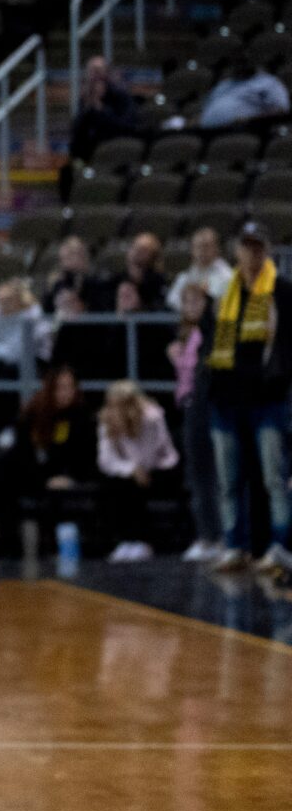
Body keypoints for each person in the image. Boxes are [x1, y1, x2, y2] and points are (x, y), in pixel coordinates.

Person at [201, 230, 290, 576]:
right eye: (245, 247)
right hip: (227, 398)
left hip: (267, 398)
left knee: (273, 478)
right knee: (229, 480)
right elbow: (210, 339)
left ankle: (281, 546)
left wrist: (279, 379)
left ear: (266, 251)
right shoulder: (225, 292)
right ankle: (235, 544)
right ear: (237, 251)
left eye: (257, 248)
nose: (251, 255)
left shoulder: (282, 291)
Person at [169, 282, 227, 562]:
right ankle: (206, 537)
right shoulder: (182, 334)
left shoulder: (213, 331)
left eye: (196, 300)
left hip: (211, 407)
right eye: (186, 301)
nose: (190, 306)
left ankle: (225, 537)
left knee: (218, 476)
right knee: (198, 476)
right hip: (191, 408)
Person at [96, 380, 179, 562]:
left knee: (137, 483)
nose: (114, 411)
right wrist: (132, 469)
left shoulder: (152, 418)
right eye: (111, 406)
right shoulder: (106, 421)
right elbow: (106, 460)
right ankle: (127, 540)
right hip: (129, 475)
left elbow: (169, 453)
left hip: (156, 470)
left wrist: (150, 469)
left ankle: (143, 542)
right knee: (119, 484)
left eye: (119, 406)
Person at [69, 54, 136, 162]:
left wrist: (100, 109)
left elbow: (126, 126)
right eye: (92, 71)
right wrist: (89, 107)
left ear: (107, 73)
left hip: (117, 147)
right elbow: (76, 132)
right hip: (90, 150)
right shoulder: (85, 99)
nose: (95, 75)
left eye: (98, 70)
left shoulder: (121, 96)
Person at [198, 59, 290, 130]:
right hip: (208, 131)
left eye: (243, 62)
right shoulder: (224, 85)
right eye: (237, 62)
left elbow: (281, 110)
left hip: (247, 129)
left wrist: (250, 119)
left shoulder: (268, 82)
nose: (240, 65)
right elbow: (205, 111)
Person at [170, 226, 234, 311]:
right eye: (198, 246)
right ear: (192, 250)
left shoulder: (227, 275)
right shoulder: (186, 274)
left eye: (206, 246)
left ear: (217, 249)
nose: (201, 251)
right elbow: (172, 300)